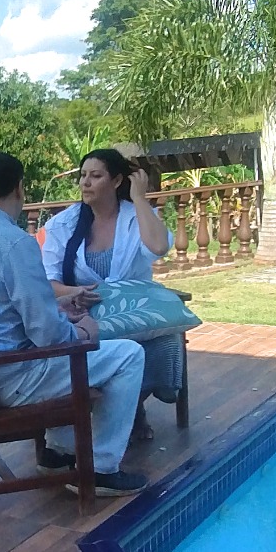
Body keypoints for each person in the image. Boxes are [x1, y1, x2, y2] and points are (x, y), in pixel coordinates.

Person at [0, 151, 147, 495]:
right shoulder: (14, 242)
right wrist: (82, 332)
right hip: (12, 378)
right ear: (19, 188)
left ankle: (57, 453)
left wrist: (59, 304)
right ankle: (101, 467)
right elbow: (48, 335)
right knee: (128, 355)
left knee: (70, 355)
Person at [41, 147, 179, 439]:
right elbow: (47, 282)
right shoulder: (63, 224)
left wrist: (139, 198)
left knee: (166, 340)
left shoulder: (137, 217)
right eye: (83, 175)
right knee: (93, 343)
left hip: (133, 314)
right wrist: (75, 291)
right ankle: (117, 415)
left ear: (116, 181)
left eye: (95, 176)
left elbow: (158, 247)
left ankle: (132, 406)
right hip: (84, 314)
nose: (85, 182)